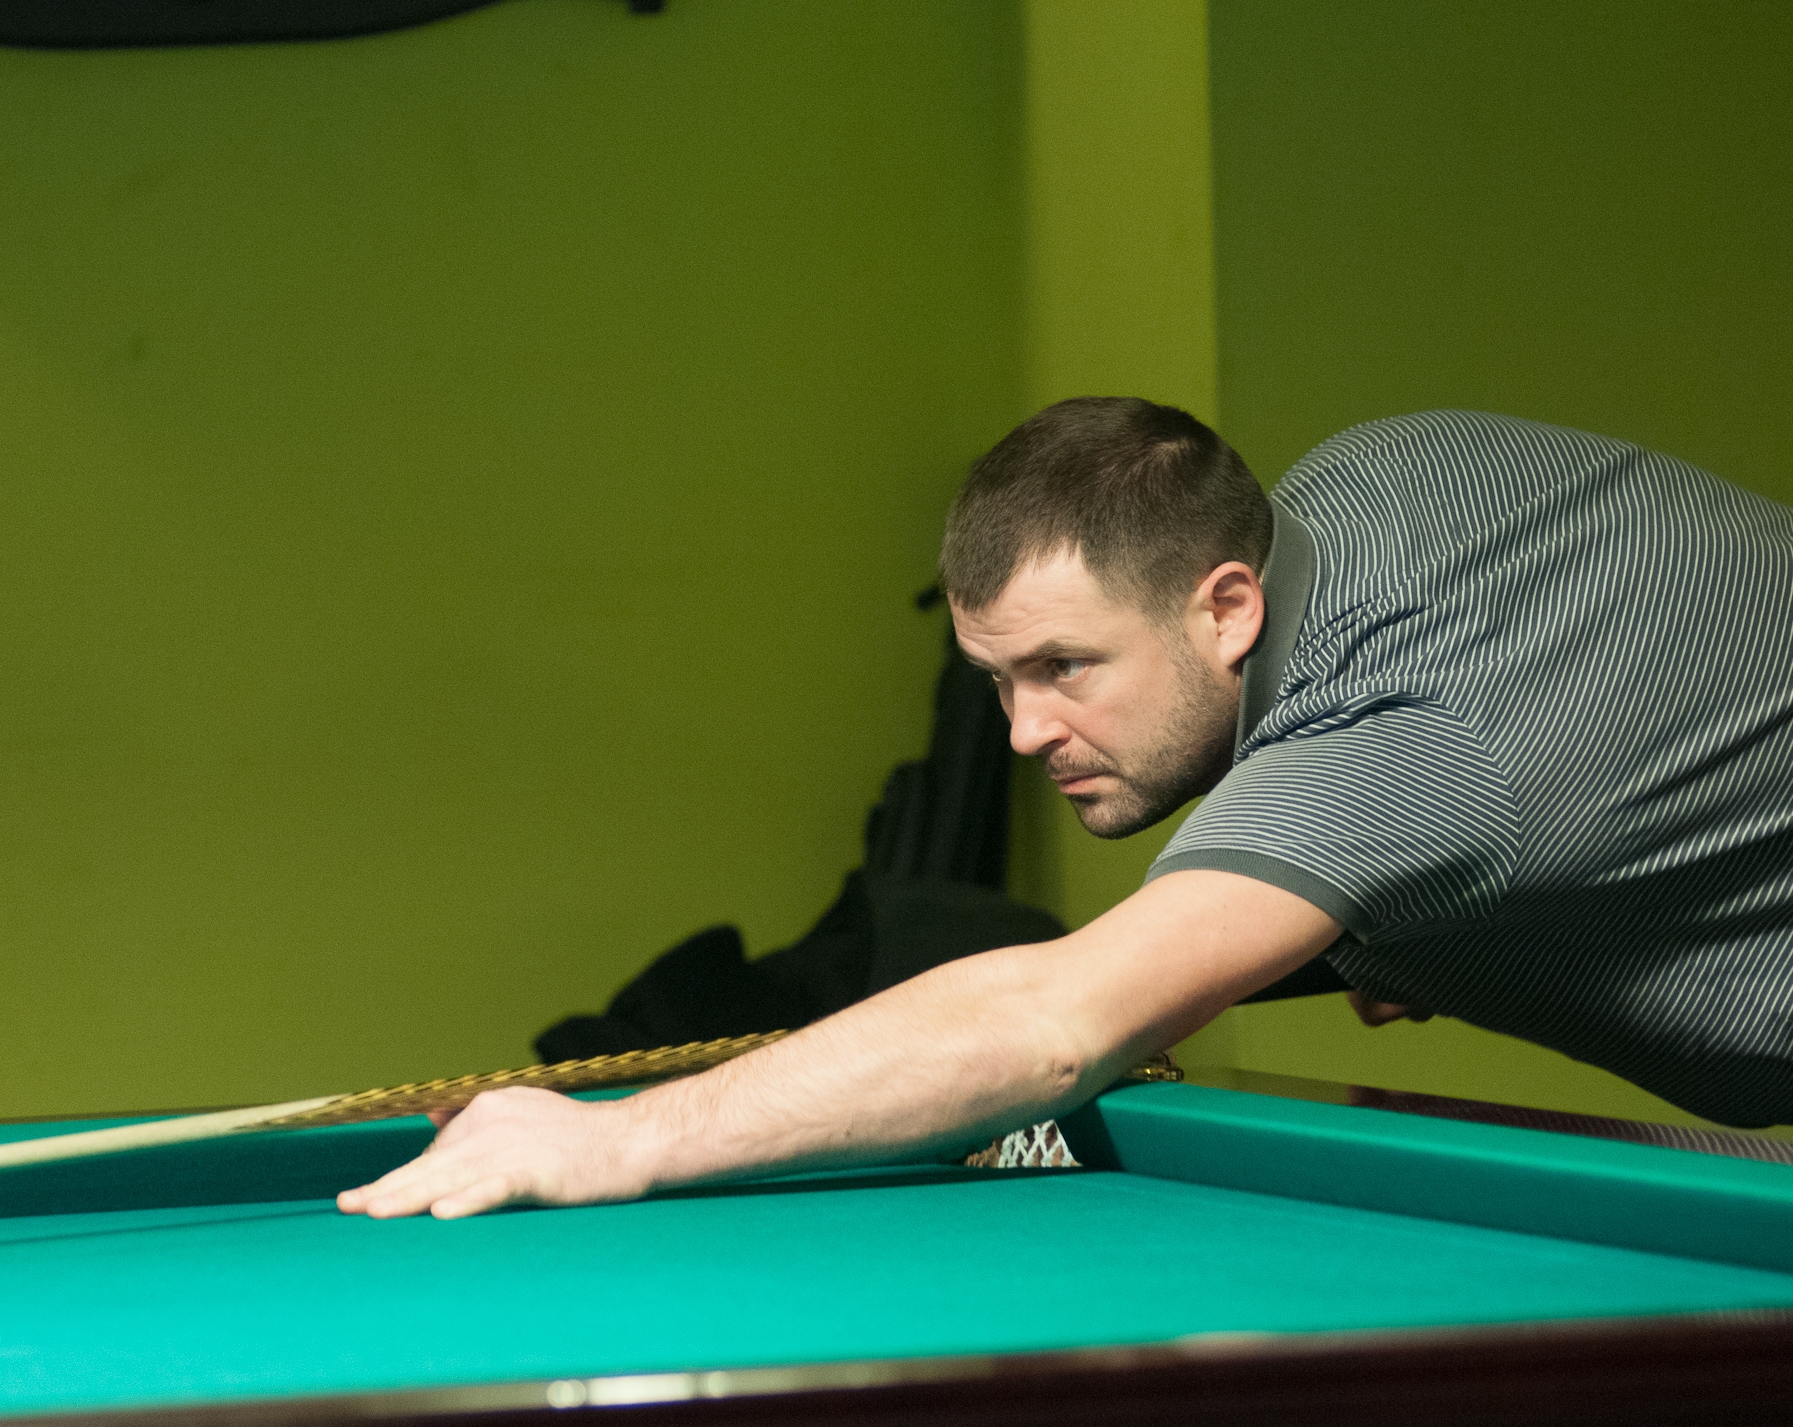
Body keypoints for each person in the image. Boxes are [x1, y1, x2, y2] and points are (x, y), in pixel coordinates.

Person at [341, 402, 1793, 1220]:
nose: (1027, 729)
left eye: (1064, 667)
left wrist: (614, 1140)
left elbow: (1053, 1024)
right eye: (1000, 679)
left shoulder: (1416, 750)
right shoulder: (1378, 480)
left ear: (1229, 604)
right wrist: (1398, 927)